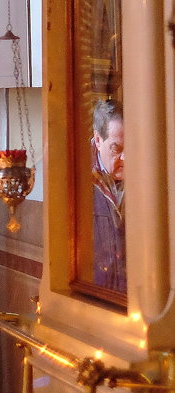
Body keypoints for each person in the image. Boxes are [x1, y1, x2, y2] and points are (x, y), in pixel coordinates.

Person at [91, 98, 125, 292]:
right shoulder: (74, 180)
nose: (126, 158)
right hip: (94, 298)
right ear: (98, 140)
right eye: (116, 149)